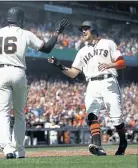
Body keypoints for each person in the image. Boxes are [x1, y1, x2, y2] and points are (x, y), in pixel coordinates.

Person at [0, 7, 68, 159]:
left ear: (8, 20)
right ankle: (19, 150)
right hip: (19, 72)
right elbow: (46, 48)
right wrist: (57, 32)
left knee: (3, 112)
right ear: (20, 20)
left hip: (1, 73)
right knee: (19, 113)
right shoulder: (25, 33)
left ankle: (7, 148)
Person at [48, 20, 127, 156]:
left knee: (116, 119)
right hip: (92, 84)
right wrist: (59, 65)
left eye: (86, 28)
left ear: (94, 30)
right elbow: (73, 73)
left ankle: (123, 142)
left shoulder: (108, 43)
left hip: (109, 82)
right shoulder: (82, 51)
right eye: (82, 29)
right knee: (91, 114)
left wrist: (110, 65)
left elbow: (122, 62)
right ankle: (98, 146)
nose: (83, 31)